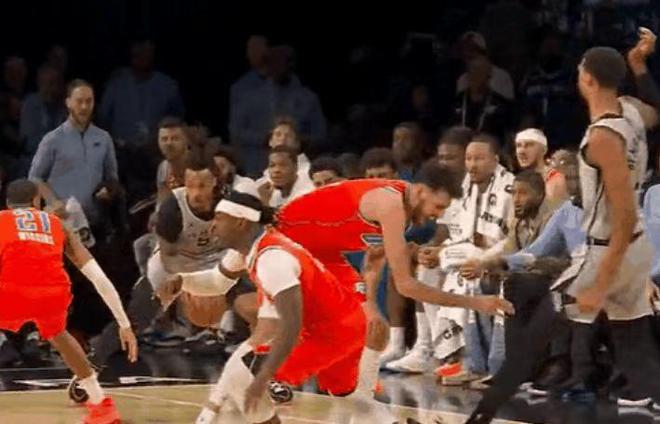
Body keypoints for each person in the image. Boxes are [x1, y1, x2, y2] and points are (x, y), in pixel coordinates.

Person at [467, 46, 660, 423]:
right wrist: (639, 65)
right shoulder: (631, 114)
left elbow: (623, 215)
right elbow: (655, 107)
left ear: (587, 80)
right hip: (629, 254)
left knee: (532, 340)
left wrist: (600, 281)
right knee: (638, 357)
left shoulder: (603, 137)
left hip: (606, 253)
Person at [275, 160, 515, 402]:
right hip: (285, 244)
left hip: (321, 253)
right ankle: (273, 374)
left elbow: (373, 261)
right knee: (345, 324)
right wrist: (476, 303)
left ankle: (358, 396)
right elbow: (406, 285)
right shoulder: (390, 206)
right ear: (421, 191)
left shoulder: (404, 208)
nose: (439, 215)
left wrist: (371, 305)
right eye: (438, 206)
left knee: (372, 327)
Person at [196, 191, 411, 424]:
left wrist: (262, 377)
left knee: (245, 374)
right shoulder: (262, 248)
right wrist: (179, 280)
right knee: (353, 399)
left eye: (218, 218)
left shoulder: (274, 257)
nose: (212, 226)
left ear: (241, 222)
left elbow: (289, 325)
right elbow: (218, 283)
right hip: (342, 324)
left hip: (333, 331)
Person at [0, 179, 137, 423]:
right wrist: (124, 323)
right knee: (60, 336)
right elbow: (97, 276)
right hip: (52, 294)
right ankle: (101, 406)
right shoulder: (56, 224)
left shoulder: (2, 220)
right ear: (37, 201)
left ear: (8, 205)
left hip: (11, 292)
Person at [18, 64, 66, 176]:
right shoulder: (31, 104)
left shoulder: (66, 106)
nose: (52, 89)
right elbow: (31, 142)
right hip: (33, 161)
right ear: (39, 84)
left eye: (55, 84)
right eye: (47, 84)